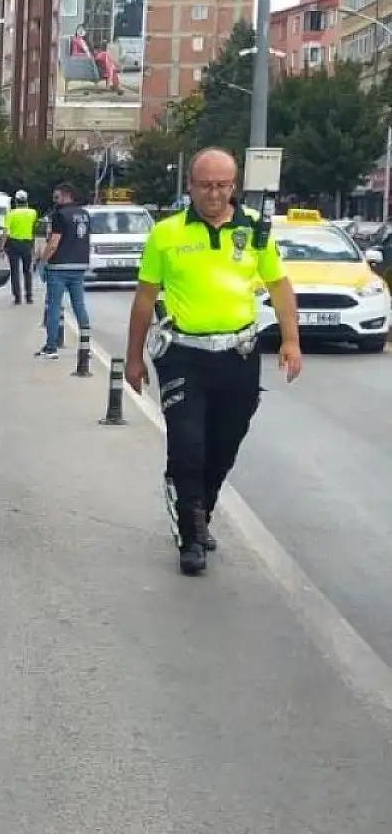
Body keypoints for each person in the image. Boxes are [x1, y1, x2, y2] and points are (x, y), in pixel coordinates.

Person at [124, 147, 302, 576]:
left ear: (234, 186)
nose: (214, 194)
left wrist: (291, 341)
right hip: (183, 355)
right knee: (188, 447)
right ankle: (190, 536)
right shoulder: (166, 234)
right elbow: (144, 299)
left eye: (223, 186)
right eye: (206, 185)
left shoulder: (256, 230)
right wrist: (133, 359)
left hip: (238, 356)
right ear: (191, 186)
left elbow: (279, 286)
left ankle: (201, 512)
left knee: (222, 448)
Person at [35, 182, 92, 358]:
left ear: (67, 195)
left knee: (54, 306)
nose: (55, 200)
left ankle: (51, 347)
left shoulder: (59, 215)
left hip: (59, 266)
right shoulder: (84, 214)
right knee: (79, 306)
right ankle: (85, 345)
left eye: (57, 197)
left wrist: (42, 262)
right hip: (79, 265)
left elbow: (53, 243)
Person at [2, 189, 39, 304]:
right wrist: (34, 246)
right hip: (27, 244)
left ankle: (17, 297)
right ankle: (29, 297)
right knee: (27, 271)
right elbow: (33, 229)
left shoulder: (10, 214)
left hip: (13, 244)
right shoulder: (33, 213)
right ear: (26, 200)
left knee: (15, 271)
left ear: (16, 201)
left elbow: (5, 232)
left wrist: (1, 247)